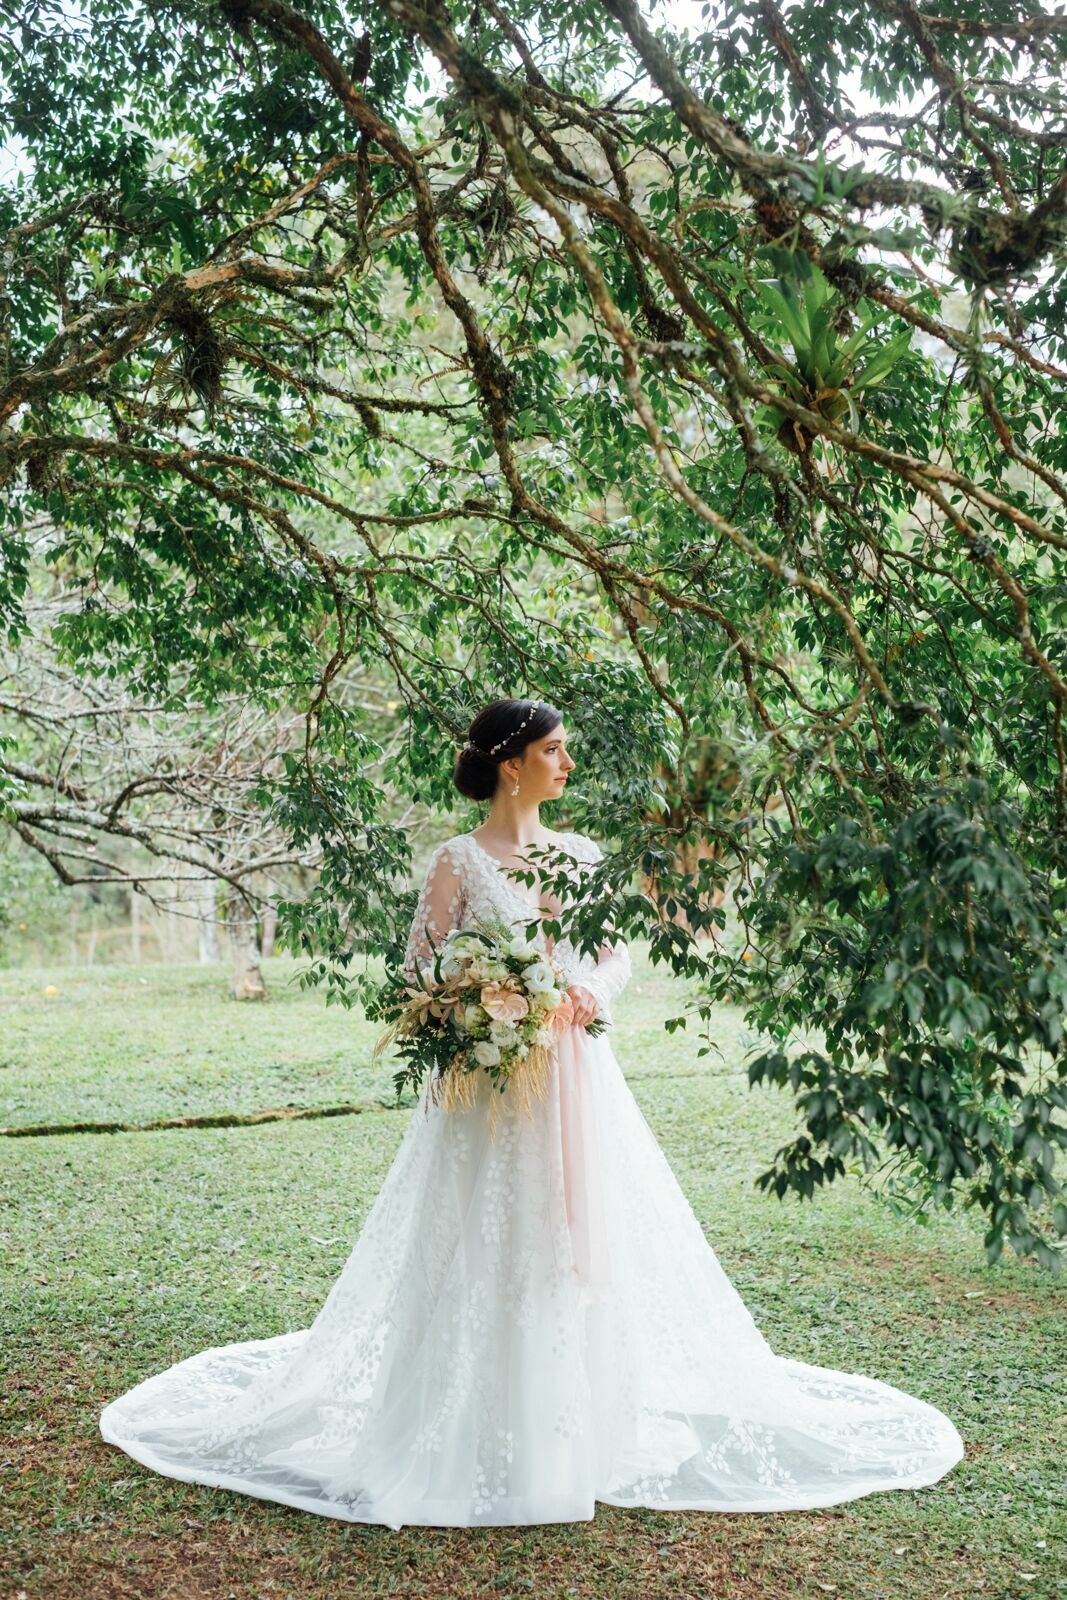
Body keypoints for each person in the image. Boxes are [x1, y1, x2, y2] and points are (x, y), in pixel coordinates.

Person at [99, 697, 964, 1528]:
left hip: (577, 1074)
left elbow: (615, 952)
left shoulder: (581, 855)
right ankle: (467, 1421)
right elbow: (417, 972)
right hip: (488, 1087)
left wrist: (585, 988)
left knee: (578, 1235)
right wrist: (478, 1002)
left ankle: (580, 1429)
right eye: (554, 749)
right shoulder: (458, 861)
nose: (567, 762)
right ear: (511, 765)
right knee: (486, 1233)